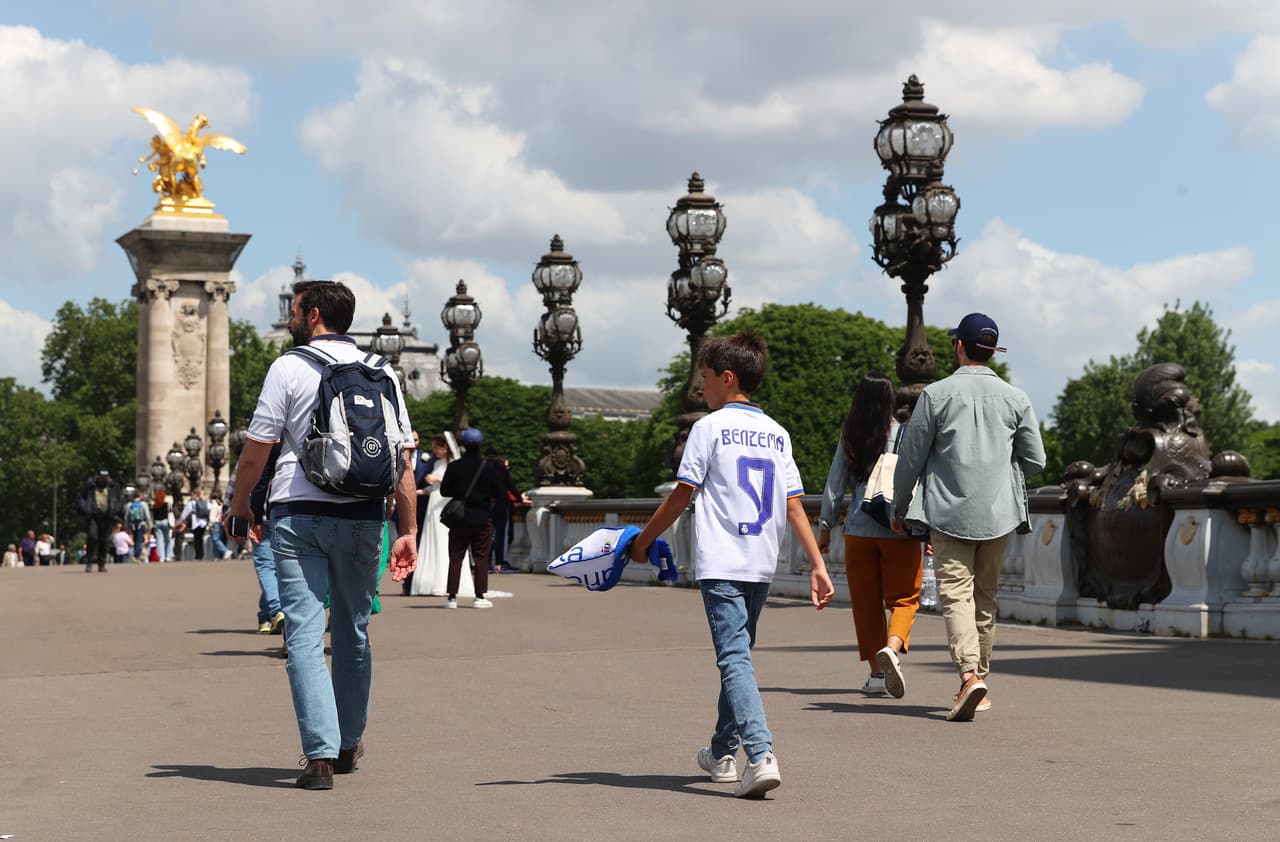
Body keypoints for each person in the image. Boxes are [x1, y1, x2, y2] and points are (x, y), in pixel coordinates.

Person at [223, 278, 417, 791]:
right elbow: (401, 458)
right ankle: (349, 743)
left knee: (305, 636)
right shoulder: (383, 373)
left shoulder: (289, 367)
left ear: (312, 316)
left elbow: (258, 447)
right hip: (363, 517)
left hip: (298, 514)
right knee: (353, 633)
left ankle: (320, 759)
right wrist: (409, 527)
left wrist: (241, 503)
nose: (289, 316)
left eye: (294, 309)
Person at [628, 331, 835, 799]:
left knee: (734, 658)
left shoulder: (709, 428)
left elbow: (682, 495)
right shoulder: (777, 433)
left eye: (703, 379)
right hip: (762, 562)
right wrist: (818, 565)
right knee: (737, 657)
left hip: (723, 561)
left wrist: (643, 541)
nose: (699, 388)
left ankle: (760, 755)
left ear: (727, 378)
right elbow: (795, 506)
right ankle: (723, 752)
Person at [892, 313, 1046, 722]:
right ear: (992, 351)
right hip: (1000, 512)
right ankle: (979, 679)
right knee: (986, 599)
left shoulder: (936, 395)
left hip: (948, 511)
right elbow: (1036, 460)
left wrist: (899, 505)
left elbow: (910, 458)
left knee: (956, 595)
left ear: (959, 346)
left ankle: (968, 674)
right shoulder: (1016, 398)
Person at [818, 372, 923, 698]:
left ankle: (877, 676)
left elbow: (835, 484)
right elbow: (921, 480)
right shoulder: (906, 433)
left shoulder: (851, 435)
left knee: (866, 605)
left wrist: (825, 527)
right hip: (898, 529)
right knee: (904, 599)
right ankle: (892, 647)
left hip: (858, 531)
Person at [439, 427, 506, 609]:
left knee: (455, 556)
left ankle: (452, 597)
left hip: (459, 517)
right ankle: (479, 596)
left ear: (464, 445)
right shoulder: (489, 468)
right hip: (482, 517)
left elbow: (444, 490)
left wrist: (460, 493)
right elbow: (500, 494)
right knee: (481, 557)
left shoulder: (454, 466)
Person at [409, 433, 473, 599]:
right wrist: (416, 492)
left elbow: (456, 483)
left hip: (446, 505)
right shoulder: (437, 463)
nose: (435, 451)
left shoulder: (454, 464)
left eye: (438, 447)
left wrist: (436, 478)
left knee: (446, 541)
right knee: (433, 540)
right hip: (434, 506)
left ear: (446, 448)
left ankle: (445, 582)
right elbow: (432, 489)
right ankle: (431, 581)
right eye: (434, 448)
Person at [487, 451, 527, 573]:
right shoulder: (501, 469)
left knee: (487, 535)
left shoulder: (484, 468)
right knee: (500, 535)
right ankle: (499, 564)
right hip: (500, 504)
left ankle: (487, 564)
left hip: (486, 504)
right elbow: (510, 485)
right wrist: (520, 499)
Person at [76, 470, 122, 572]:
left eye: (106, 478)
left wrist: (115, 509)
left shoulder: (113, 486)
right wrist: (85, 509)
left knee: (104, 540)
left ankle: (101, 564)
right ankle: (89, 562)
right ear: (98, 477)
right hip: (93, 515)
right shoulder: (90, 485)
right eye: (102, 478)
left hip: (107, 516)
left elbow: (119, 499)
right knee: (92, 537)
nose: (104, 480)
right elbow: (80, 498)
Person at [179, 488, 211, 560]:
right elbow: (210, 508)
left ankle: (199, 555)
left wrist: (180, 521)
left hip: (196, 523)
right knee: (200, 538)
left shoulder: (192, 503)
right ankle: (201, 554)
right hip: (204, 523)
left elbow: (185, 514)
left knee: (197, 539)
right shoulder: (205, 502)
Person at [126, 491, 152, 561]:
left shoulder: (129, 505)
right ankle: (136, 555)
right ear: (140, 497)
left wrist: (127, 526)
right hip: (142, 524)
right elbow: (147, 516)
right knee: (139, 540)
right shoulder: (143, 504)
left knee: (135, 539)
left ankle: (137, 553)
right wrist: (150, 525)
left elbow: (126, 517)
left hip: (133, 525)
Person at [151, 490, 173, 562]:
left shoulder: (154, 505)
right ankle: (168, 555)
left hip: (157, 522)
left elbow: (152, 515)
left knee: (159, 540)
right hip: (165, 521)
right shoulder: (166, 504)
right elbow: (170, 512)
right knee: (167, 539)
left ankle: (161, 557)